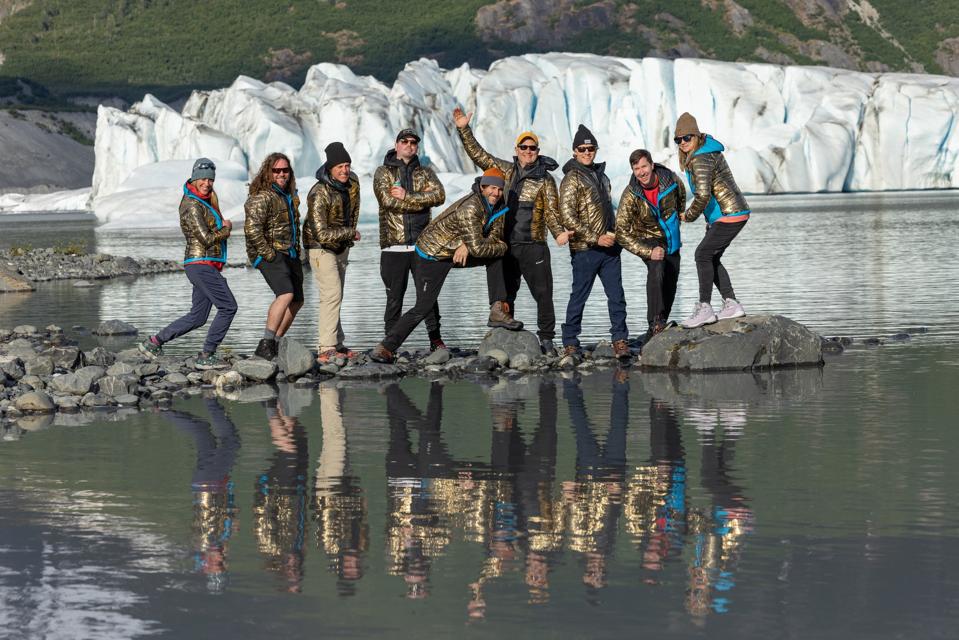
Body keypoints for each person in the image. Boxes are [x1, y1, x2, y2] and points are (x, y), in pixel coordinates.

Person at [370, 167, 519, 363]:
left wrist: (469, 245)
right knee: (423, 307)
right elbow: (483, 247)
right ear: (483, 187)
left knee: (496, 256)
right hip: (431, 255)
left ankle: (497, 309)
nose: (496, 193)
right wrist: (482, 246)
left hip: (456, 251)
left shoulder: (499, 206)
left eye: (499, 189)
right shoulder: (471, 207)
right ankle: (385, 347)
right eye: (492, 188)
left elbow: (493, 237)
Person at [453, 108, 567, 355]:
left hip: (534, 244)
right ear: (517, 150)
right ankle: (506, 335)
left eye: (532, 148)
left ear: (538, 152)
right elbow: (479, 155)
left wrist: (558, 233)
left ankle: (546, 338)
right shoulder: (504, 170)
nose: (528, 151)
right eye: (524, 147)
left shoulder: (545, 180)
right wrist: (464, 129)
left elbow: (552, 212)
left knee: (543, 293)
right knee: (506, 292)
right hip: (505, 244)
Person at [139, 158, 236, 369]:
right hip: (200, 264)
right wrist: (226, 228)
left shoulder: (203, 201)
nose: (207, 183)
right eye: (203, 179)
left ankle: (154, 343)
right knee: (228, 307)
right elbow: (206, 239)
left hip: (201, 265)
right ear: (194, 178)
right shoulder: (192, 204)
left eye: (210, 179)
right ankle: (207, 355)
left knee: (198, 316)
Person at [557, 125, 630, 361]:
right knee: (579, 295)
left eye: (591, 148)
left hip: (609, 249)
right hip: (585, 249)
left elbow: (609, 210)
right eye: (582, 149)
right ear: (574, 151)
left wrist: (615, 235)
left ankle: (620, 339)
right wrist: (595, 237)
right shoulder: (571, 179)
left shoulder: (602, 175)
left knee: (616, 295)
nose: (587, 152)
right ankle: (570, 342)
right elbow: (567, 216)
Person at [675, 112, 751, 328]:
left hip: (730, 213)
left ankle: (705, 307)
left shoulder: (700, 158)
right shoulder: (707, 151)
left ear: (696, 136)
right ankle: (732, 303)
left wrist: (688, 216)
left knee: (702, 254)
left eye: (687, 137)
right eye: (678, 140)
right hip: (728, 213)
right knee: (711, 257)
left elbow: (703, 195)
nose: (682, 143)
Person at [374, 128, 447, 351]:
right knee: (394, 298)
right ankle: (390, 345)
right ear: (396, 145)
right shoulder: (383, 172)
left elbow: (439, 196)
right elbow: (388, 202)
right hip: (393, 246)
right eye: (404, 141)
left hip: (422, 246)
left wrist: (408, 196)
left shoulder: (425, 172)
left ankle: (436, 341)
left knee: (428, 298)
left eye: (413, 142)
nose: (409, 145)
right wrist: (422, 199)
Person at [615, 148, 685, 341]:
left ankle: (658, 328)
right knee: (657, 270)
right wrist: (647, 251)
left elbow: (681, 199)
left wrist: (678, 218)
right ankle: (655, 323)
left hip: (672, 240)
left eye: (644, 166)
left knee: (670, 283)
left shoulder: (671, 181)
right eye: (636, 168)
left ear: (652, 165)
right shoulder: (631, 194)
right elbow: (621, 231)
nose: (641, 172)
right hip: (649, 239)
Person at [304, 142, 361, 364]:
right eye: (340, 166)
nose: (345, 170)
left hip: (341, 245)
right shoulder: (319, 192)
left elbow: (353, 210)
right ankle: (325, 347)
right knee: (331, 294)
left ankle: (337, 342)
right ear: (330, 168)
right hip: (320, 248)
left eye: (347, 165)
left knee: (336, 295)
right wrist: (349, 233)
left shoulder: (352, 183)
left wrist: (348, 238)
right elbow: (320, 232)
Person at [244, 152, 302, 360]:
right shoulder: (262, 197)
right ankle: (266, 342)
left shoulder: (289, 195)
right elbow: (252, 229)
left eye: (285, 170)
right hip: (271, 252)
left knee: (297, 300)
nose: (281, 174)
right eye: (276, 170)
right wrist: (267, 253)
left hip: (290, 252)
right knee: (285, 294)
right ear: (268, 172)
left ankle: (274, 343)